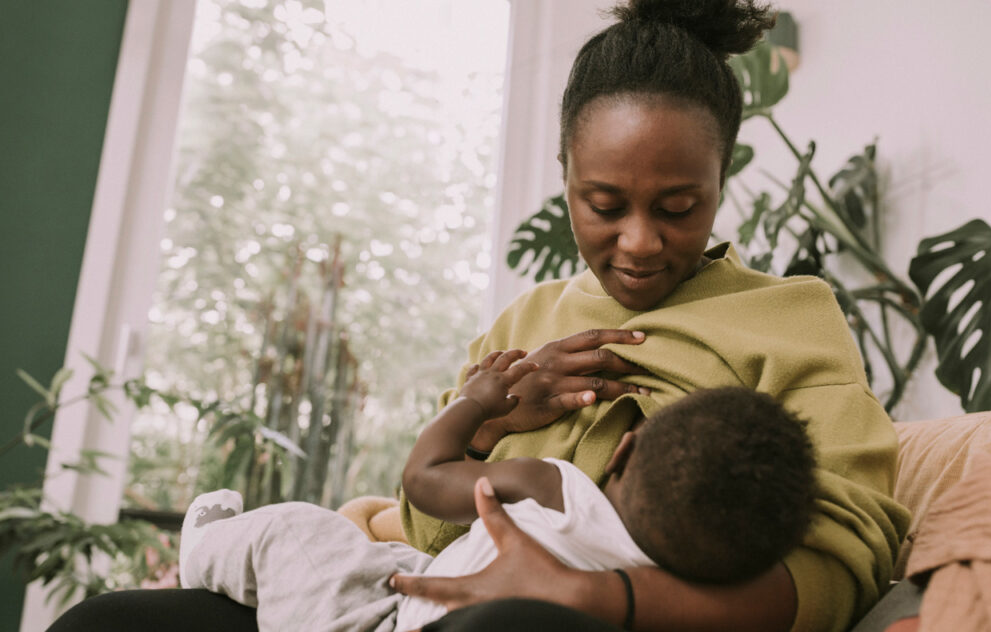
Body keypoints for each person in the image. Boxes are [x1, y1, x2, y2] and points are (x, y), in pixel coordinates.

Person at [47, 1, 910, 630]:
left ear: (723, 180)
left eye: (680, 206)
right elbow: (427, 524)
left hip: (608, 618)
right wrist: (495, 424)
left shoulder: (792, 318)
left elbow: (843, 559)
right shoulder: (527, 320)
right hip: (426, 593)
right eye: (603, 203)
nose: (640, 242)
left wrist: (603, 598)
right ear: (564, 173)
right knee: (110, 623)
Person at [173, 350, 816, 631]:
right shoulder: (676, 597)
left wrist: (476, 403)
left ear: (625, 447)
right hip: (422, 582)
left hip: (380, 622)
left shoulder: (555, 488)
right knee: (380, 553)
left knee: (297, 531)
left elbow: (423, 481)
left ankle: (204, 548)